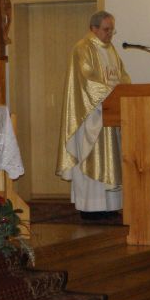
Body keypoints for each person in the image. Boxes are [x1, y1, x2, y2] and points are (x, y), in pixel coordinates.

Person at [56, 11, 131, 220]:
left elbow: (123, 76)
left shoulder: (112, 50)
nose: (110, 34)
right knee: (92, 159)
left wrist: (123, 93)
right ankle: (90, 208)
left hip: (110, 114)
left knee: (112, 160)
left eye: (112, 30)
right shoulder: (82, 48)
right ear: (94, 28)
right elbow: (86, 80)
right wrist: (112, 94)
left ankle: (110, 206)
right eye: (106, 30)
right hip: (90, 116)